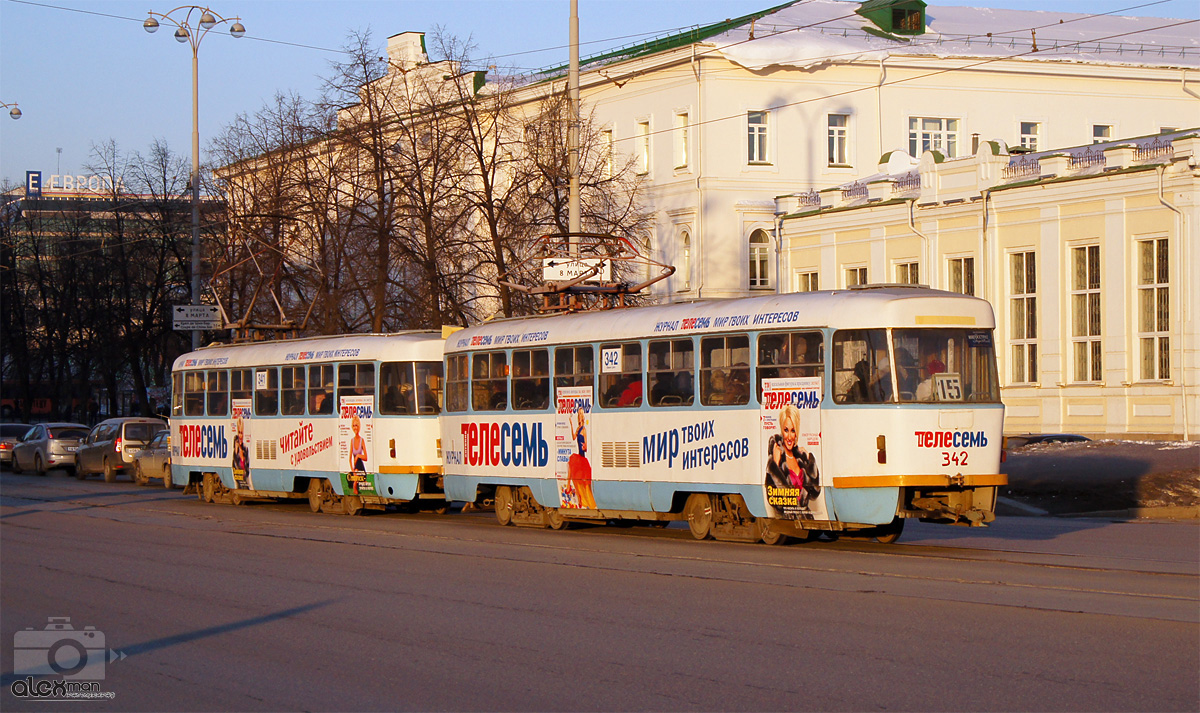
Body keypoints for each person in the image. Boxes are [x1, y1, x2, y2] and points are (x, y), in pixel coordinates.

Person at [764, 403, 820, 509]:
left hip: (806, 520)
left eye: (793, 431)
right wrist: (775, 466)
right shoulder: (776, 457)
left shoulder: (800, 457)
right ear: (781, 430)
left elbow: (814, 493)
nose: (789, 436)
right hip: (786, 522)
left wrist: (810, 461)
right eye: (786, 430)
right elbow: (775, 502)